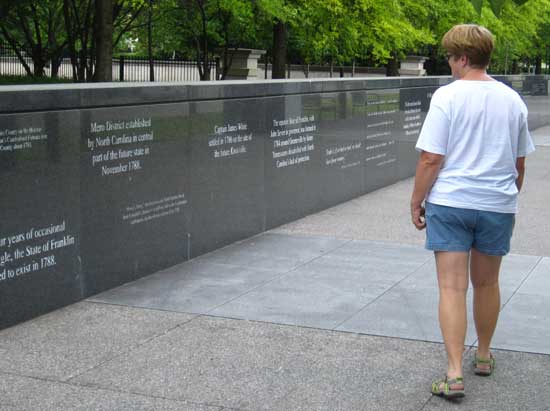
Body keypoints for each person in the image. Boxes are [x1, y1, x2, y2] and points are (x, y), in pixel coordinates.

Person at [410, 24, 535, 400]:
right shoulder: (513, 100)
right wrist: (504, 198)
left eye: (450, 57)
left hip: (451, 202)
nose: (449, 64)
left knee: (451, 287)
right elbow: (519, 164)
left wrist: (417, 200)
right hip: (496, 204)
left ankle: (453, 373)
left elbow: (432, 157)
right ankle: (482, 356)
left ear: (463, 58)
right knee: (487, 283)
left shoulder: (447, 97)